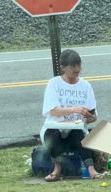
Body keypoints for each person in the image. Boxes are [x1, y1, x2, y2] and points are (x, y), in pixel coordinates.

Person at [42, 49, 103, 181]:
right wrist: (74, 109)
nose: (77, 69)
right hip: (56, 127)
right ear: (63, 67)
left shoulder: (85, 86)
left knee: (79, 135)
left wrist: (90, 117)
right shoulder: (54, 84)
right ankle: (56, 169)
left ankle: (91, 170)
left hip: (76, 128)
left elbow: (93, 115)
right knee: (51, 134)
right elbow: (52, 110)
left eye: (78, 65)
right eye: (72, 66)